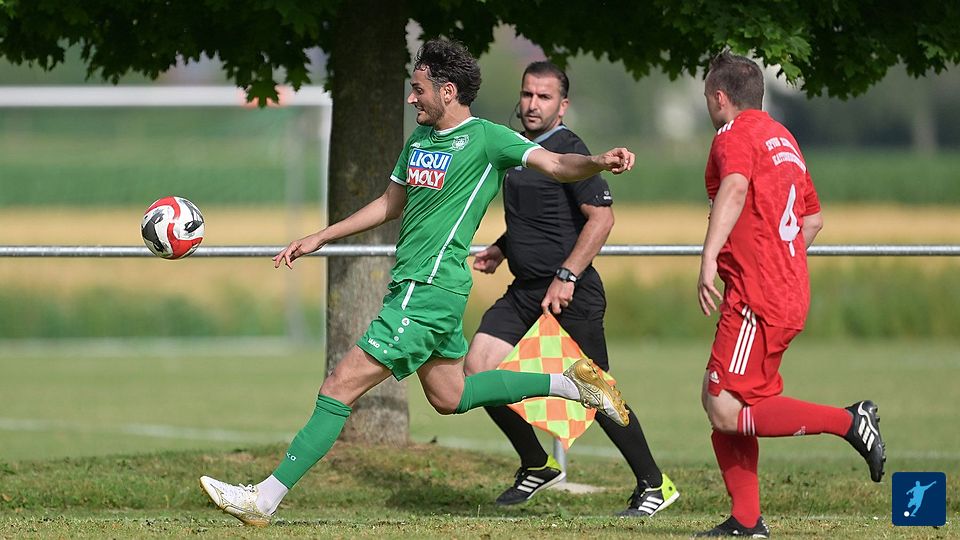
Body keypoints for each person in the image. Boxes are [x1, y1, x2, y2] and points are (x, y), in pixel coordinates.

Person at [198, 38, 636, 527]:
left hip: (427, 290)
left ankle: (264, 498)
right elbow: (390, 203)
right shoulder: (420, 140)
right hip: (420, 288)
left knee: (339, 385)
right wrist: (322, 235)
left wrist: (598, 161)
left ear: (447, 92)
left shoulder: (488, 139)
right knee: (451, 397)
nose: (411, 98)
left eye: (418, 89)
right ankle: (568, 383)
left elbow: (556, 164)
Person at [464, 61, 678, 516]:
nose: (532, 104)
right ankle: (536, 463)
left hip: (571, 292)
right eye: (527, 94)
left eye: (544, 97)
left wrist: (567, 276)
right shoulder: (517, 149)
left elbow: (601, 219)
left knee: (596, 390)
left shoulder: (569, 149)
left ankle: (654, 484)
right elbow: (540, 219)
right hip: (525, 291)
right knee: (478, 370)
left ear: (563, 106)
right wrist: (502, 247)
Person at [693, 51, 886, 538]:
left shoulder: (733, 135)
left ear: (720, 97)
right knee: (724, 401)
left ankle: (849, 422)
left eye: (707, 97)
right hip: (783, 291)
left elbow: (735, 187)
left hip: (756, 296)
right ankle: (746, 520)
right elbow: (812, 219)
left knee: (723, 406)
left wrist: (709, 256)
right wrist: (782, 261)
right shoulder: (783, 139)